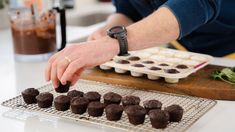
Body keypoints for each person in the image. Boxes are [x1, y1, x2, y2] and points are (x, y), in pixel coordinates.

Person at [45, 0, 235, 88]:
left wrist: (113, 43)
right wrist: (110, 30)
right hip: (186, 53)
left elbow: (196, 4)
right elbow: (129, 8)